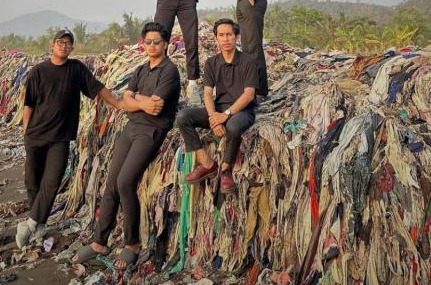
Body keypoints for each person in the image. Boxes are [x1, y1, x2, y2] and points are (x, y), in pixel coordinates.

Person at [73, 22, 181, 269]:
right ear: (143, 43)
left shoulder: (170, 71)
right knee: (111, 183)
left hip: (152, 130)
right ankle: (100, 240)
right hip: (131, 128)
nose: (152, 45)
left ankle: (132, 243)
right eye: (148, 41)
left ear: (165, 44)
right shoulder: (141, 69)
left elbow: (157, 107)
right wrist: (140, 102)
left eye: (157, 41)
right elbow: (124, 101)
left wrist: (136, 100)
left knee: (125, 182)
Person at [16, 29, 124, 249]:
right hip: (36, 135)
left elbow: (97, 88)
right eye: (60, 42)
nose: (64, 46)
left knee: (53, 180)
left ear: (72, 48)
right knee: (32, 182)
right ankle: (40, 225)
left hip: (60, 138)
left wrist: (119, 104)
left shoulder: (76, 69)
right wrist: (26, 129)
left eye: (68, 43)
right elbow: (29, 103)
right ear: (52, 45)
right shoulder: (38, 71)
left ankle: (28, 225)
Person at [176, 18, 264, 193]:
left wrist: (225, 115)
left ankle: (226, 169)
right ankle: (207, 164)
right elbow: (208, 93)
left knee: (232, 126)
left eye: (229, 35)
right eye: (221, 35)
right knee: (183, 117)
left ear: (236, 37)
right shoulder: (212, 62)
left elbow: (249, 94)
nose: (225, 39)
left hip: (242, 111)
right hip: (217, 109)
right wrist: (213, 118)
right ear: (216, 38)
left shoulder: (248, 61)